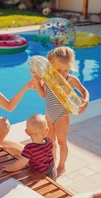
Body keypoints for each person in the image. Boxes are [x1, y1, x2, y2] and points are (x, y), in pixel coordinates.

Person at [32, 47, 89, 177]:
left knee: (62, 142)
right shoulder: (47, 79)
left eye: (66, 70)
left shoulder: (71, 80)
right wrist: (37, 82)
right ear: (51, 67)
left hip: (62, 116)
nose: (63, 73)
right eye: (59, 70)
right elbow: (42, 95)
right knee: (50, 142)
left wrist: (85, 101)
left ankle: (61, 166)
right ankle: (52, 162)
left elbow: (84, 91)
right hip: (49, 115)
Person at [2, 114, 57, 180]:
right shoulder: (49, 142)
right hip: (52, 170)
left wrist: (11, 168)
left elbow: (21, 163)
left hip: (40, 175)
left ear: (27, 132)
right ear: (46, 131)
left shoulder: (29, 149)